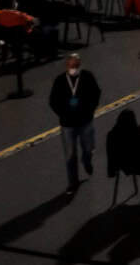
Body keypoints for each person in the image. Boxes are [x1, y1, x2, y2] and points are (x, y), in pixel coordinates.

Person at [48, 54, 101, 193]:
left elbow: (96, 94)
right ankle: (73, 182)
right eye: (71, 66)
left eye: (76, 66)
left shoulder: (87, 77)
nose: (74, 69)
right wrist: (64, 113)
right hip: (68, 124)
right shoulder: (60, 81)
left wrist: (89, 110)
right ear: (67, 67)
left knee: (88, 147)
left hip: (85, 121)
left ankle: (87, 160)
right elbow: (53, 101)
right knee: (70, 155)